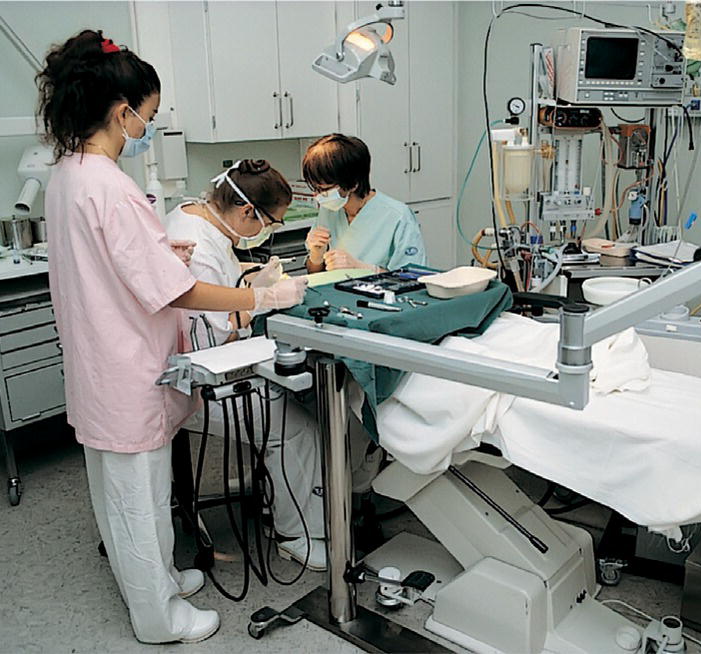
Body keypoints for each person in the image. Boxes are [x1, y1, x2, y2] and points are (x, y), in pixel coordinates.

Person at [37, 30, 307, 644]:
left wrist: (162, 249)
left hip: (97, 363)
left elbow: (102, 262)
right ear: (121, 110)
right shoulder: (109, 186)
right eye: (149, 116)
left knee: (121, 496)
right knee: (138, 499)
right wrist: (260, 295)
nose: (148, 127)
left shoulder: (69, 176)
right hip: (127, 368)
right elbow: (177, 292)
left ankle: (155, 577)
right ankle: (158, 616)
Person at [164, 159, 326, 571]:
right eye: (271, 223)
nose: (269, 231)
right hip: (195, 383)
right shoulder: (196, 246)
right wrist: (261, 300)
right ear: (247, 211)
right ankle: (295, 534)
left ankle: (282, 497)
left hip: (188, 360)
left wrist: (254, 277)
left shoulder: (195, 216)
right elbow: (219, 338)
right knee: (295, 424)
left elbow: (225, 284)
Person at [302, 134, 426, 273]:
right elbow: (314, 272)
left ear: (353, 184)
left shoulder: (398, 216)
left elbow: (413, 277)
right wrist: (316, 257)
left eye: (324, 189)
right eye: (315, 188)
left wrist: (363, 268)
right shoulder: (329, 209)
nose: (317, 195)